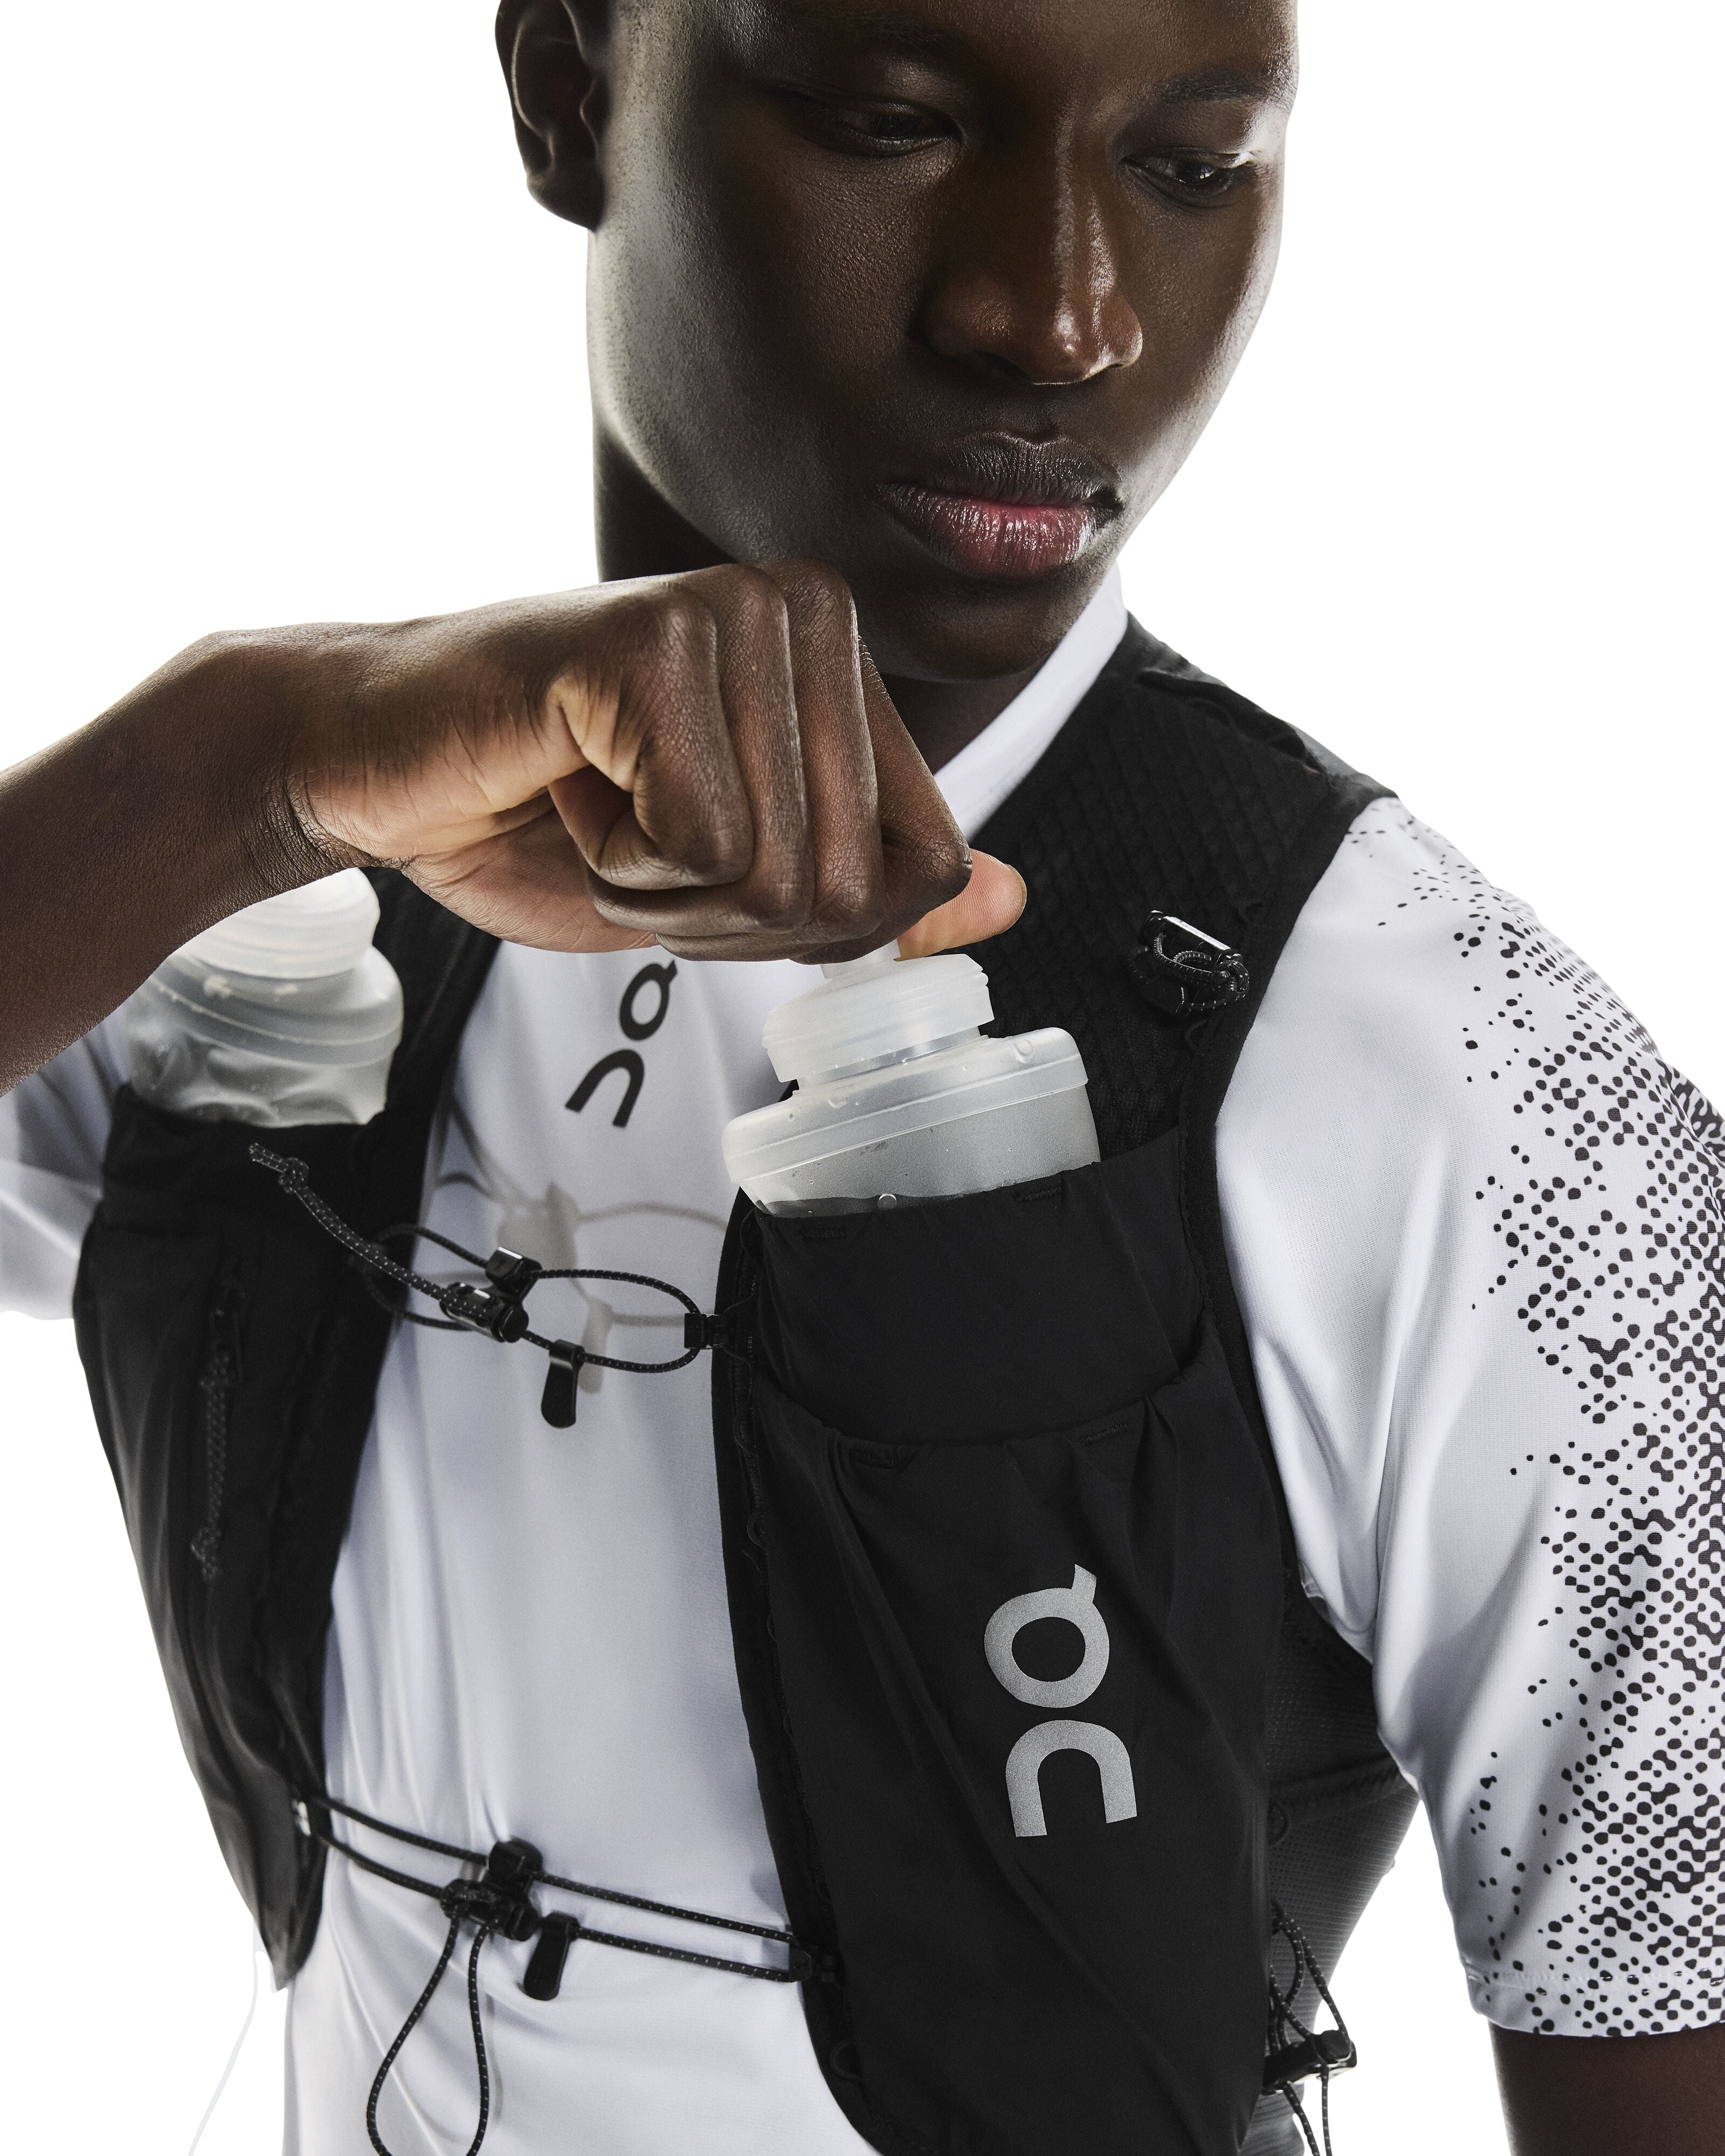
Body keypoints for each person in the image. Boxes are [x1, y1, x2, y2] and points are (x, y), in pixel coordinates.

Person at [1, 1, 1719, 2150]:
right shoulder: (264, 881)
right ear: (563, 85)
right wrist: (236, 760)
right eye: (889, 123)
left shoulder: (1480, 1089)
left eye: (1190, 165)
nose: (1060, 316)